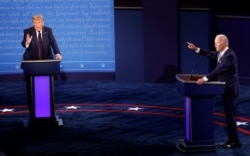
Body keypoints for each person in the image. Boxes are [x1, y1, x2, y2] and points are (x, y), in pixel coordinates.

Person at [186, 34, 241, 148]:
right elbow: (210, 53)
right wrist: (196, 49)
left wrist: (204, 79)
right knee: (228, 116)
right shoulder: (222, 52)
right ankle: (233, 140)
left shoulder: (229, 55)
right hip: (225, 88)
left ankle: (234, 142)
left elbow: (218, 70)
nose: (215, 45)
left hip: (230, 89)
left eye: (217, 43)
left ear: (224, 43)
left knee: (230, 116)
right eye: (215, 43)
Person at [21, 14, 62, 114]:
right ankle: (32, 111)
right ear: (32, 23)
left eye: (39, 22)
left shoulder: (48, 30)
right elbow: (24, 44)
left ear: (43, 23)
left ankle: (48, 111)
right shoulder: (28, 31)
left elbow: (53, 42)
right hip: (31, 63)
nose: (37, 24)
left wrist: (57, 53)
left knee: (47, 87)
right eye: (35, 22)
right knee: (31, 88)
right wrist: (27, 43)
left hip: (46, 62)